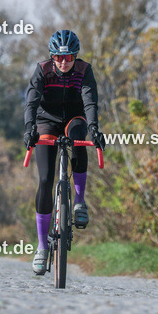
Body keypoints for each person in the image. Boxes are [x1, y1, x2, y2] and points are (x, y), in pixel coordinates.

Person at [23, 29, 106, 275]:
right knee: (46, 179)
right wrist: (29, 129)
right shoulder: (43, 70)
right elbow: (31, 101)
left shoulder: (84, 70)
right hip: (46, 120)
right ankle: (41, 247)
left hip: (75, 118)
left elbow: (90, 100)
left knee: (79, 137)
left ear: (75, 56)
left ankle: (79, 202)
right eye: (58, 57)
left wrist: (94, 128)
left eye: (69, 57)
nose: (63, 62)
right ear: (51, 56)